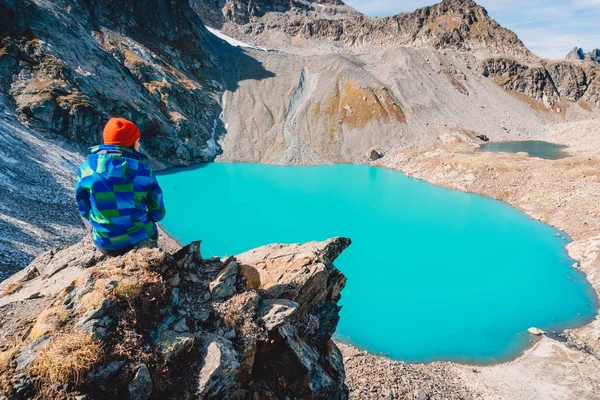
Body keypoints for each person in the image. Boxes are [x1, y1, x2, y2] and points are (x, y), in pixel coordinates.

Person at [75, 117, 166, 256]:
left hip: (108, 246)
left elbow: (84, 208)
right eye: (137, 140)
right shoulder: (143, 172)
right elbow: (158, 212)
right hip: (141, 237)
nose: (139, 144)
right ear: (130, 144)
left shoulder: (86, 170)